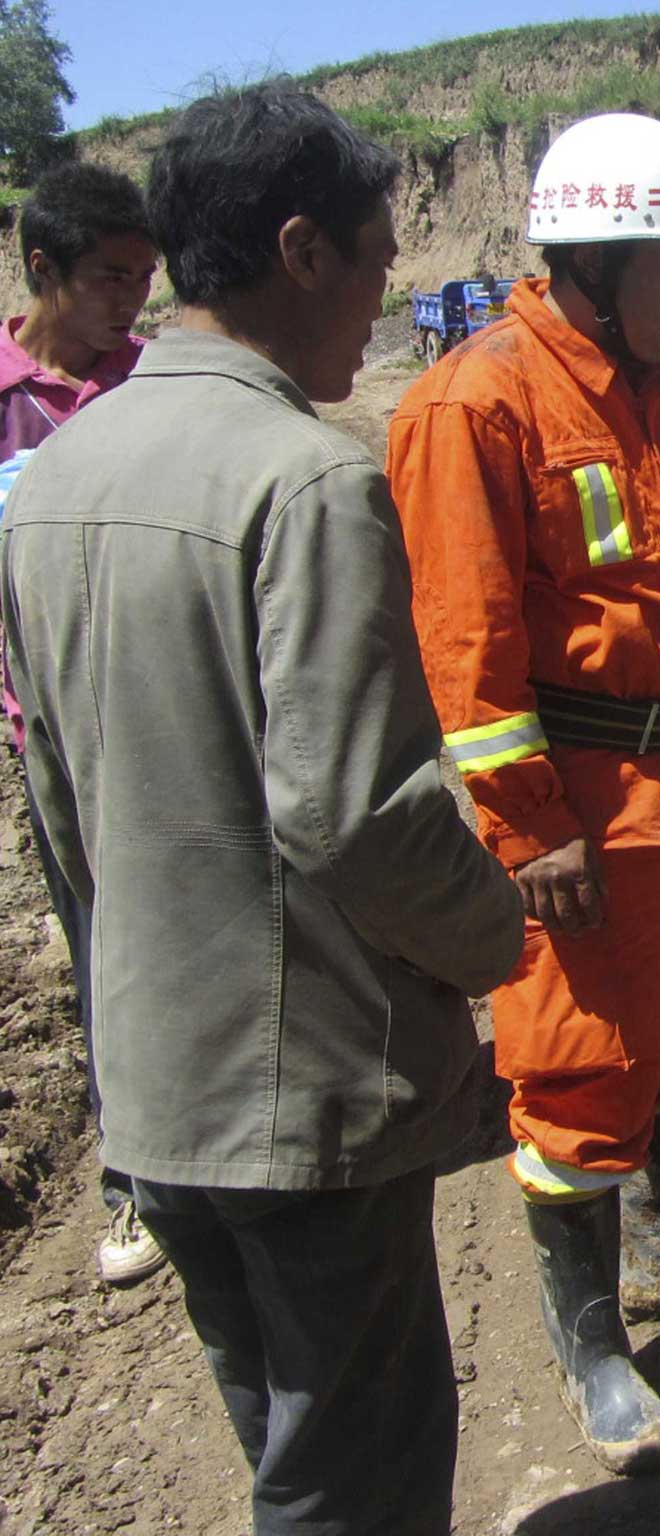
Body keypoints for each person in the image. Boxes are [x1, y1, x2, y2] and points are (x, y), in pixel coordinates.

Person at [0, 85, 524, 1536]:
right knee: (355, 1479)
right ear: (301, 252)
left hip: (159, 1085)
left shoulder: (49, 481)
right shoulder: (307, 480)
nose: (386, 299)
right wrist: (495, 937)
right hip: (301, 1103)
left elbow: (58, 813)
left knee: (280, 1440)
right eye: (375, 258)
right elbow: (355, 814)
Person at [385, 112, 660, 1476]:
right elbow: (466, 650)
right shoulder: (476, 403)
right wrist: (528, 827)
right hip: (585, 803)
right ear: (598, 258)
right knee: (579, 1070)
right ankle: (596, 1342)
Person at [0, 162, 160, 1287]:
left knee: (201, 932)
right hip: (54, 730)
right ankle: (137, 1184)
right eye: (111, 278)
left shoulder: (155, 385)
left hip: (173, 711)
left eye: (144, 278)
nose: (131, 302)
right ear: (41, 268)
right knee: (107, 947)